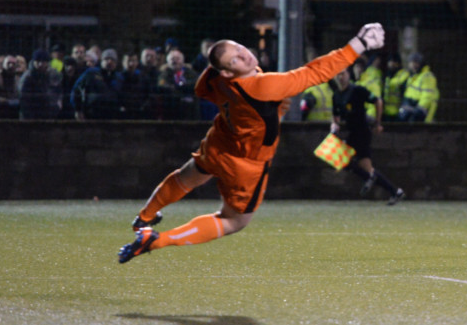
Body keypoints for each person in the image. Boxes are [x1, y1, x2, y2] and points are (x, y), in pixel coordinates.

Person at [118, 22, 385, 264]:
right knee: (234, 220)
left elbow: (202, 90)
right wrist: (358, 43)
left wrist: (269, 112)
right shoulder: (261, 86)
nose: (244, 55)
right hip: (245, 162)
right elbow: (314, 73)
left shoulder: (214, 76)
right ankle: (156, 240)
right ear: (226, 71)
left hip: (220, 140)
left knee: (189, 176)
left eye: (240, 48)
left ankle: (145, 216)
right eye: (235, 58)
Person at [332, 66, 405, 205]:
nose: (340, 78)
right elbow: (336, 117)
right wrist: (334, 125)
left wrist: (377, 123)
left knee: (343, 159)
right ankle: (394, 191)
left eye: (342, 74)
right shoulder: (336, 95)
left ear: (348, 74)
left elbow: (378, 101)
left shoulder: (357, 90)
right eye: (337, 75)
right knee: (357, 164)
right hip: (352, 132)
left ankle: (370, 179)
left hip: (362, 131)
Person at [71, 48, 124, 120]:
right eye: (106, 59)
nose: (109, 62)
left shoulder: (119, 77)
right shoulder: (91, 73)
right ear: (101, 61)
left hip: (113, 116)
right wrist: (78, 110)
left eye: (112, 60)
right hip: (92, 114)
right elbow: (76, 90)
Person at [18, 49, 62, 120]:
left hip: (48, 114)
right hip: (31, 115)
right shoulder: (28, 77)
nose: (41, 64)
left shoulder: (52, 74)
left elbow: (57, 91)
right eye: (38, 61)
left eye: (43, 61)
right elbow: (23, 98)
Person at [157, 49, 199, 120]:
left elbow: (196, 83)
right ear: (168, 62)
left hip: (191, 106)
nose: (175, 61)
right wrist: (180, 89)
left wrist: (181, 86)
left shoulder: (191, 73)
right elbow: (162, 85)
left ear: (183, 61)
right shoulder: (164, 74)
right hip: (172, 104)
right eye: (172, 59)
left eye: (177, 59)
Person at [398, 52, 439, 123]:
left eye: (415, 62)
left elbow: (427, 95)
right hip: (411, 107)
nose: (413, 65)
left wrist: (419, 109)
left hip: (418, 109)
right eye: (411, 62)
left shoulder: (427, 76)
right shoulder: (413, 76)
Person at [119, 51, 151, 119]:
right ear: (123, 62)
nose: (131, 64)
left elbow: (147, 94)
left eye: (134, 61)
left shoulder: (143, 77)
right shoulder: (118, 77)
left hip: (139, 112)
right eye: (128, 61)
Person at [356, 53, 383, 122]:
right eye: (355, 67)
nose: (357, 70)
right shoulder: (355, 84)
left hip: (368, 118)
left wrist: (371, 116)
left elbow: (377, 101)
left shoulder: (371, 83)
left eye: (359, 67)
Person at [383, 53, 409, 122]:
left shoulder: (404, 75)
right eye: (390, 61)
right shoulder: (387, 76)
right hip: (386, 111)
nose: (392, 64)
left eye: (394, 62)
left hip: (398, 112)